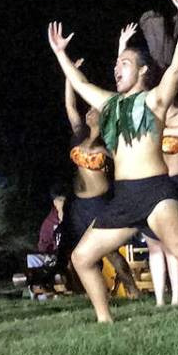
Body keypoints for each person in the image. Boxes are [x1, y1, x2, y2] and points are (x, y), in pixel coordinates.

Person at [47, 0, 178, 326]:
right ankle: (104, 321)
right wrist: (60, 54)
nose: (117, 68)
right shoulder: (111, 105)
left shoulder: (155, 101)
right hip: (124, 198)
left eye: (124, 63)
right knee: (82, 257)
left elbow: (175, 67)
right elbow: (80, 84)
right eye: (115, 64)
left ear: (142, 71)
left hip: (156, 192)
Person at [115, 23, 178, 306]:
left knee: (175, 244)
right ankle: (159, 299)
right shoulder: (149, 110)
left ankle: (177, 297)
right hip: (157, 182)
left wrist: (165, 131)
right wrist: (122, 48)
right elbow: (122, 95)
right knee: (154, 244)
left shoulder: (177, 112)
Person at [60, 59, 125, 291]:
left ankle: (133, 288)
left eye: (93, 111)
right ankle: (88, 289)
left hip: (99, 202)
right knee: (79, 248)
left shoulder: (109, 142)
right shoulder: (80, 136)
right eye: (87, 111)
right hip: (79, 203)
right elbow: (70, 107)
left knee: (108, 250)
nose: (89, 113)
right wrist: (71, 77)